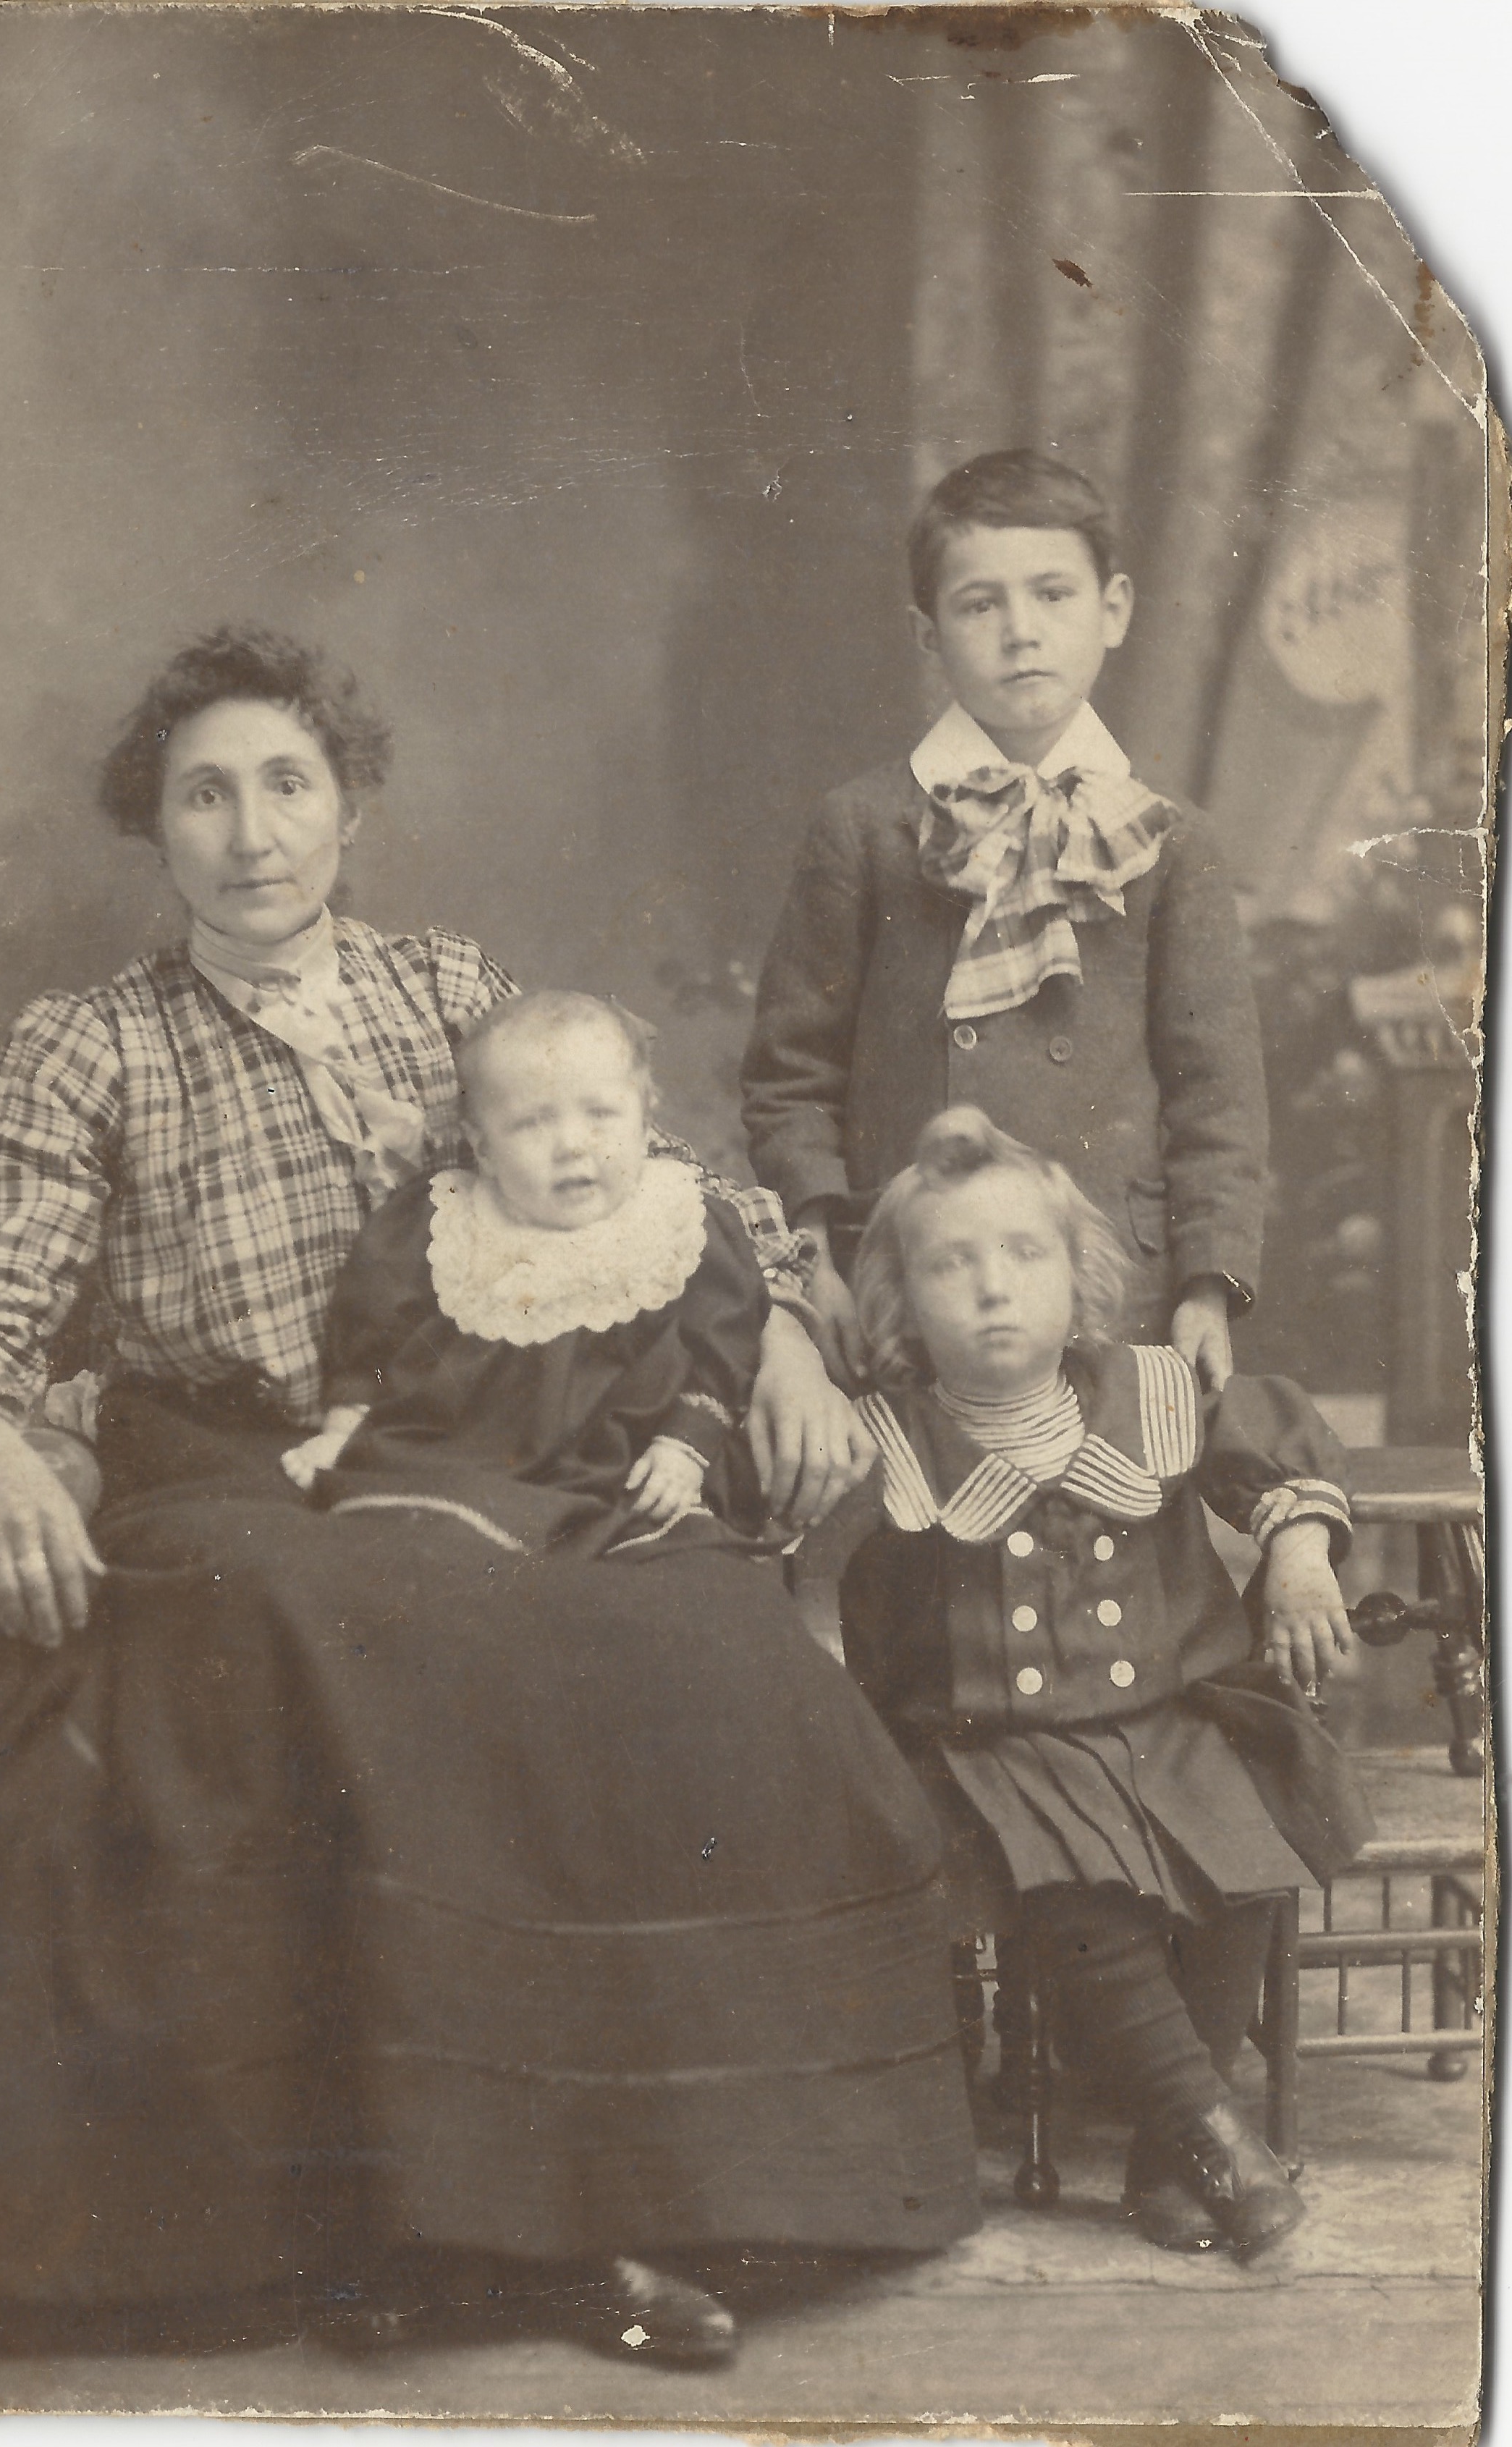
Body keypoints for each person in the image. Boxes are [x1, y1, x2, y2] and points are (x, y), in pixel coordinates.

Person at [0, 627, 976, 2368]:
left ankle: (676, 2177)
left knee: (691, 1608)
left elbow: (658, 1179)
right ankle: (458, 2238)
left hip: (487, 1441)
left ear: (347, 805)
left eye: (287, 783)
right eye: (202, 793)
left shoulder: (443, 993)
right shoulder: (91, 1046)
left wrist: (796, 1344)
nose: (251, 829)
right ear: (154, 826)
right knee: (364, 1614)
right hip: (225, 1471)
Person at [830, 1108, 1371, 2257]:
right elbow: (857, 1613)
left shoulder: (1148, 1390)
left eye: (1021, 1255)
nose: (991, 1289)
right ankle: (1211, 2132)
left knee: (1244, 1854)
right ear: (897, 1303)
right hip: (997, 1742)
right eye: (951, 1263)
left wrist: (1296, 1549)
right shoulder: (894, 1440)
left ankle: (1159, 2162)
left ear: (1077, 1279)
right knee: (1070, 1884)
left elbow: (1271, 1443)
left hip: (1165, 1716)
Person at [740, 447, 1269, 1397]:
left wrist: (1204, 1284)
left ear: (1112, 609)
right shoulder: (866, 828)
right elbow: (792, 1074)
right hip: (910, 1274)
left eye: (1052, 595)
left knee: (1110, 1519)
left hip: (1110, 1275)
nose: (1020, 632)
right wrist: (811, 1249)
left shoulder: (1167, 840)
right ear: (927, 632)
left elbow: (1214, 1098)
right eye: (979, 604)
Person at [280, 989, 767, 1542]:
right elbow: (371, 1328)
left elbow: (724, 1346)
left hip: (619, 1462)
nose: (572, 1146)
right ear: (482, 1147)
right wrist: (343, 1425)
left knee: (669, 1543)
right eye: (533, 1123)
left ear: (645, 1118)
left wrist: (686, 1444)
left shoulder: (681, 1220)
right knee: (404, 1534)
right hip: (451, 1454)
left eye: (602, 1114)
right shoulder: (441, 1220)